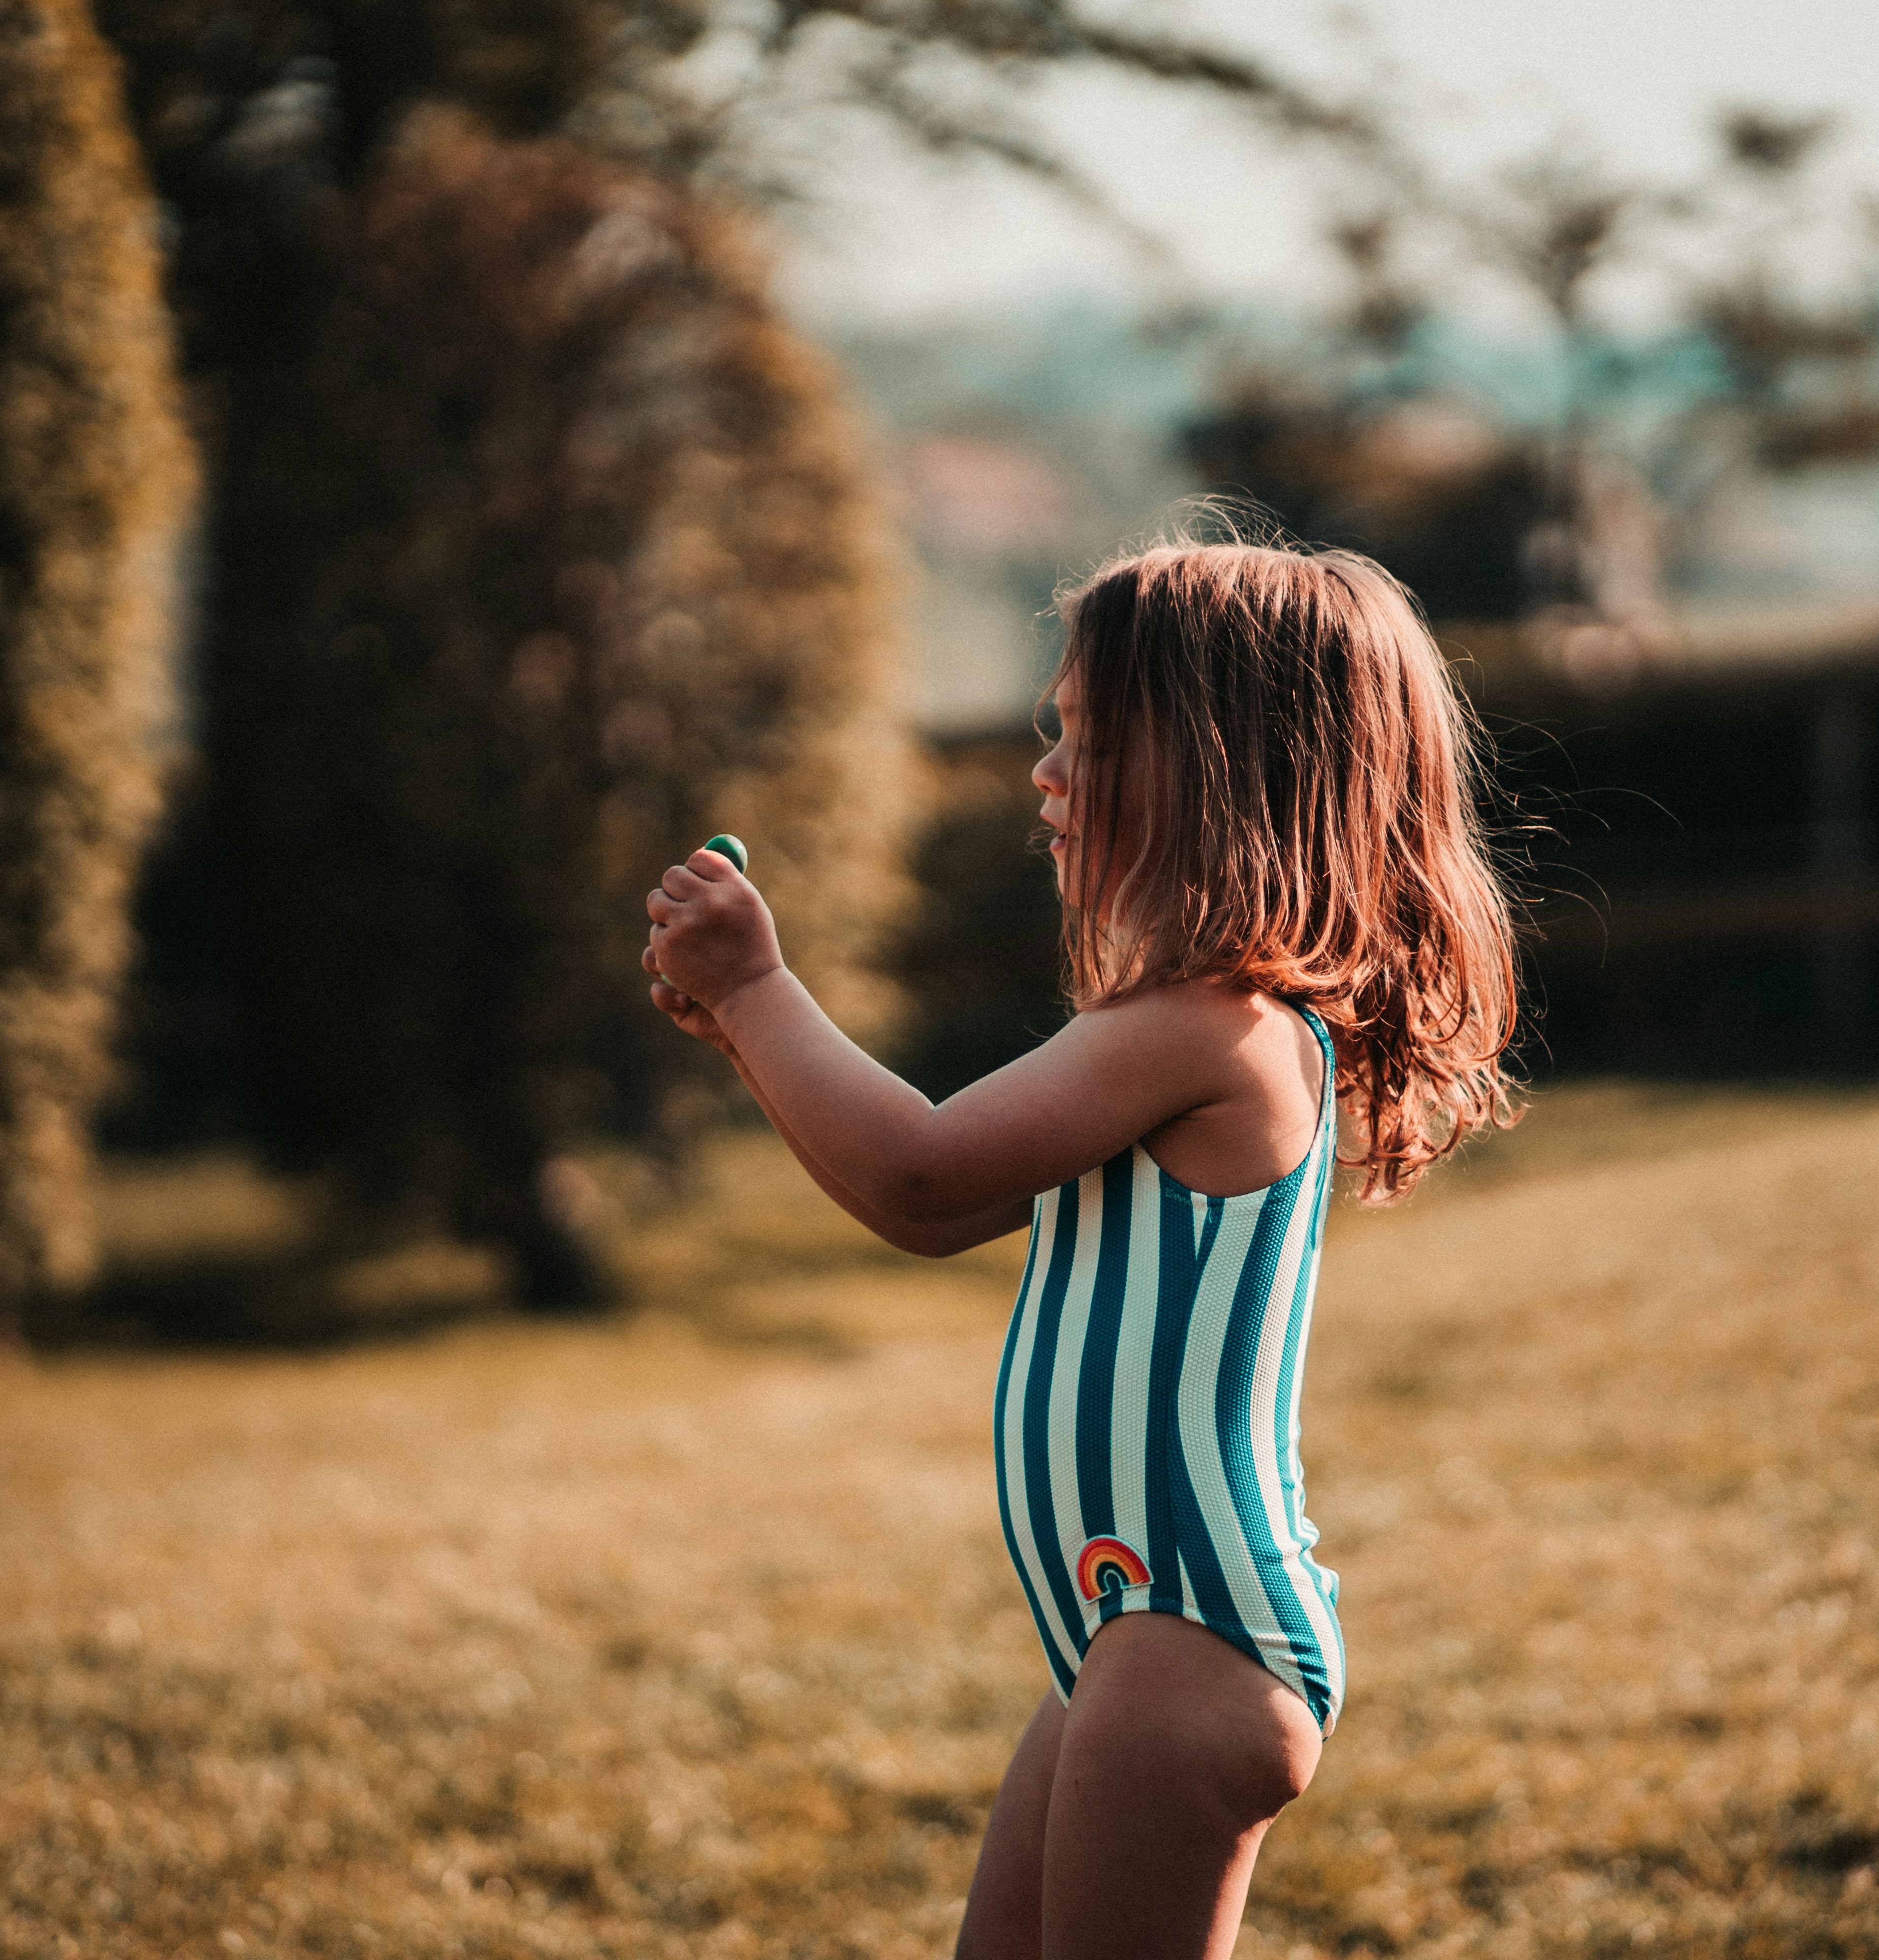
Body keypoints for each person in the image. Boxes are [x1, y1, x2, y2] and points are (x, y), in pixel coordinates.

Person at [642, 538, 1521, 1960]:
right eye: (1058, 728)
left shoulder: (1205, 1032)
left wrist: (756, 991)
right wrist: (754, 1038)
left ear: (1230, 780)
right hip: (1127, 1635)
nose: (1047, 770)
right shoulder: (1177, 1029)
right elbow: (928, 1195)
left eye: (1096, 740)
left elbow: (920, 1181)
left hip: (1186, 1640)